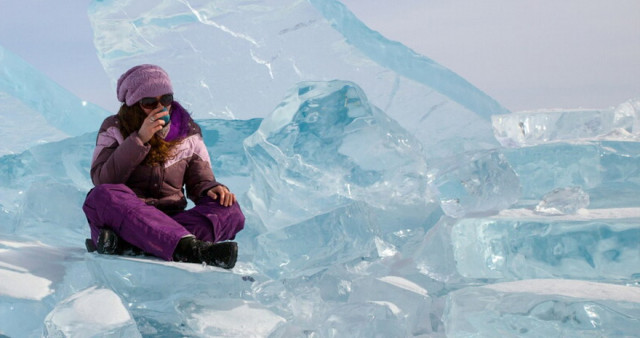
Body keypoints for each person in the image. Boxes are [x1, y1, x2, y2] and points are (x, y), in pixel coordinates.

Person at [82, 64, 245, 269]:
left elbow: (200, 181)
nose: (161, 108)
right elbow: (102, 179)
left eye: (166, 99)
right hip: (126, 219)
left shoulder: (188, 130)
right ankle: (192, 250)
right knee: (101, 195)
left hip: (173, 219)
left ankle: (134, 246)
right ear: (133, 104)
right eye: (149, 102)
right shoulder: (113, 127)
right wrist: (140, 139)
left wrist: (211, 188)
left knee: (229, 210)